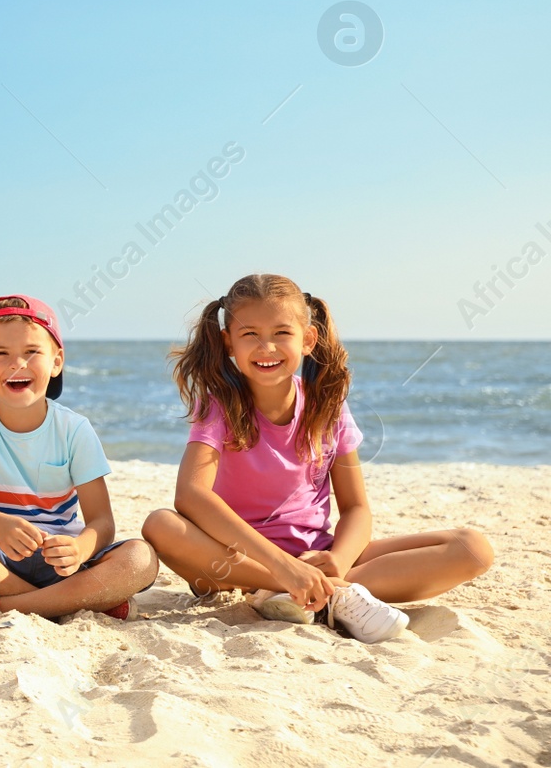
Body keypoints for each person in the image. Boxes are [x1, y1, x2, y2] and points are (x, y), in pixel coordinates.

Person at [142, 273, 494, 643]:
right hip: (238, 561)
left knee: (472, 548)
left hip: (317, 555)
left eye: (281, 333)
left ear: (307, 339)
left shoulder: (328, 405)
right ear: (228, 341)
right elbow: (192, 496)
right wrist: (283, 568)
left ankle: (319, 590)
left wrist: (338, 560)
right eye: (250, 335)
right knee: (161, 524)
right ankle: (289, 588)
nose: (267, 347)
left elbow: (357, 507)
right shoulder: (218, 405)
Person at [0, 295, 159, 620]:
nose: (18, 364)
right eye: (1, 354)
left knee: (141, 558)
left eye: (31, 352)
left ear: (57, 361)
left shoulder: (75, 429)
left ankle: (0, 604)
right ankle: (76, 600)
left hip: (61, 563)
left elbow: (102, 522)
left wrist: (80, 550)